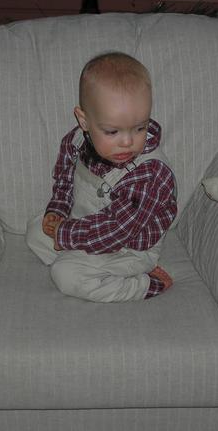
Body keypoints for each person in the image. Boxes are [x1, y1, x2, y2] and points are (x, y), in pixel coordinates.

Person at [25, 51, 177, 302]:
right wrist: (58, 212)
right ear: (85, 121)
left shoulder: (151, 174)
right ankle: (83, 260)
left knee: (66, 275)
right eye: (112, 131)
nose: (127, 142)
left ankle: (144, 283)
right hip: (85, 225)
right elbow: (64, 183)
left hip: (128, 246)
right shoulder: (75, 141)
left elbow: (117, 229)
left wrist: (66, 235)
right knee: (34, 230)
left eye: (140, 127)